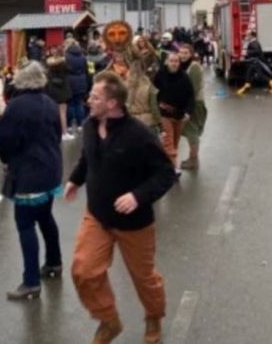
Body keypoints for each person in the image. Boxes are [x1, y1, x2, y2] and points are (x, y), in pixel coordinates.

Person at [65, 71, 175, 344]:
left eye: (95, 96)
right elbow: (88, 157)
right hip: (98, 215)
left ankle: (153, 317)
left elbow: (165, 173)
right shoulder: (90, 125)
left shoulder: (139, 135)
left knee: (143, 278)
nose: (88, 99)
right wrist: (75, 180)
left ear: (113, 103)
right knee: (83, 269)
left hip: (134, 222)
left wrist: (138, 196)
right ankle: (109, 320)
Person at [0, 61, 63, 300]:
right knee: (45, 217)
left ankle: (31, 280)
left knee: (25, 224)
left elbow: (2, 138)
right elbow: (58, 133)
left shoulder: (17, 106)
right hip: (51, 168)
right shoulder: (50, 102)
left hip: (30, 172)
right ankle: (54, 262)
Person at [153, 52, 195, 175]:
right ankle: (174, 168)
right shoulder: (160, 75)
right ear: (167, 62)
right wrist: (156, 106)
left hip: (179, 115)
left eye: (176, 61)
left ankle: (167, 163)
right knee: (168, 141)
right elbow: (153, 92)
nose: (174, 64)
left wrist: (188, 111)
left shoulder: (184, 77)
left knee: (175, 142)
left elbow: (190, 96)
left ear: (179, 63)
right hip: (164, 113)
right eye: (171, 61)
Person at [178, 45, 207, 170]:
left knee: (191, 131)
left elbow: (193, 90)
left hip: (194, 104)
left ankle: (193, 160)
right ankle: (193, 159)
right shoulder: (184, 66)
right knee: (190, 131)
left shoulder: (194, 67)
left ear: (191, 54)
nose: (183, 55)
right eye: (181, 53)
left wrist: (186, 108)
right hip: (188, 102)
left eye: (186, 53)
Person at [236, 31, 272, 96]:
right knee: (248, 74)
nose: (247, 36)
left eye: (248, 35)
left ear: (252, 36)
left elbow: (256, 51)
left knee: (260, 76)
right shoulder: (253, 42)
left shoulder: (255, 43)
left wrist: (248, 52)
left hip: (255, 62)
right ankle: (246, 87)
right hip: (253, 62)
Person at [44, 45, 72, 140]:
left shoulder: (49, 63)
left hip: (52, 89)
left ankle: (54, 132)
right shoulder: (64, 64)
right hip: (62, 90)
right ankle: (64, 132)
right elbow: (68, 71)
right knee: (63, 112)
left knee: (53, 112)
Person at [65, 38, 89, 135]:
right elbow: (87, 70)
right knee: (79, 103)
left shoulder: (66, 56)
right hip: (82, 81)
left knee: (70, 104)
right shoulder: (83, 56)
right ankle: (80, 125)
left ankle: (70, 126)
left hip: (70, 82)